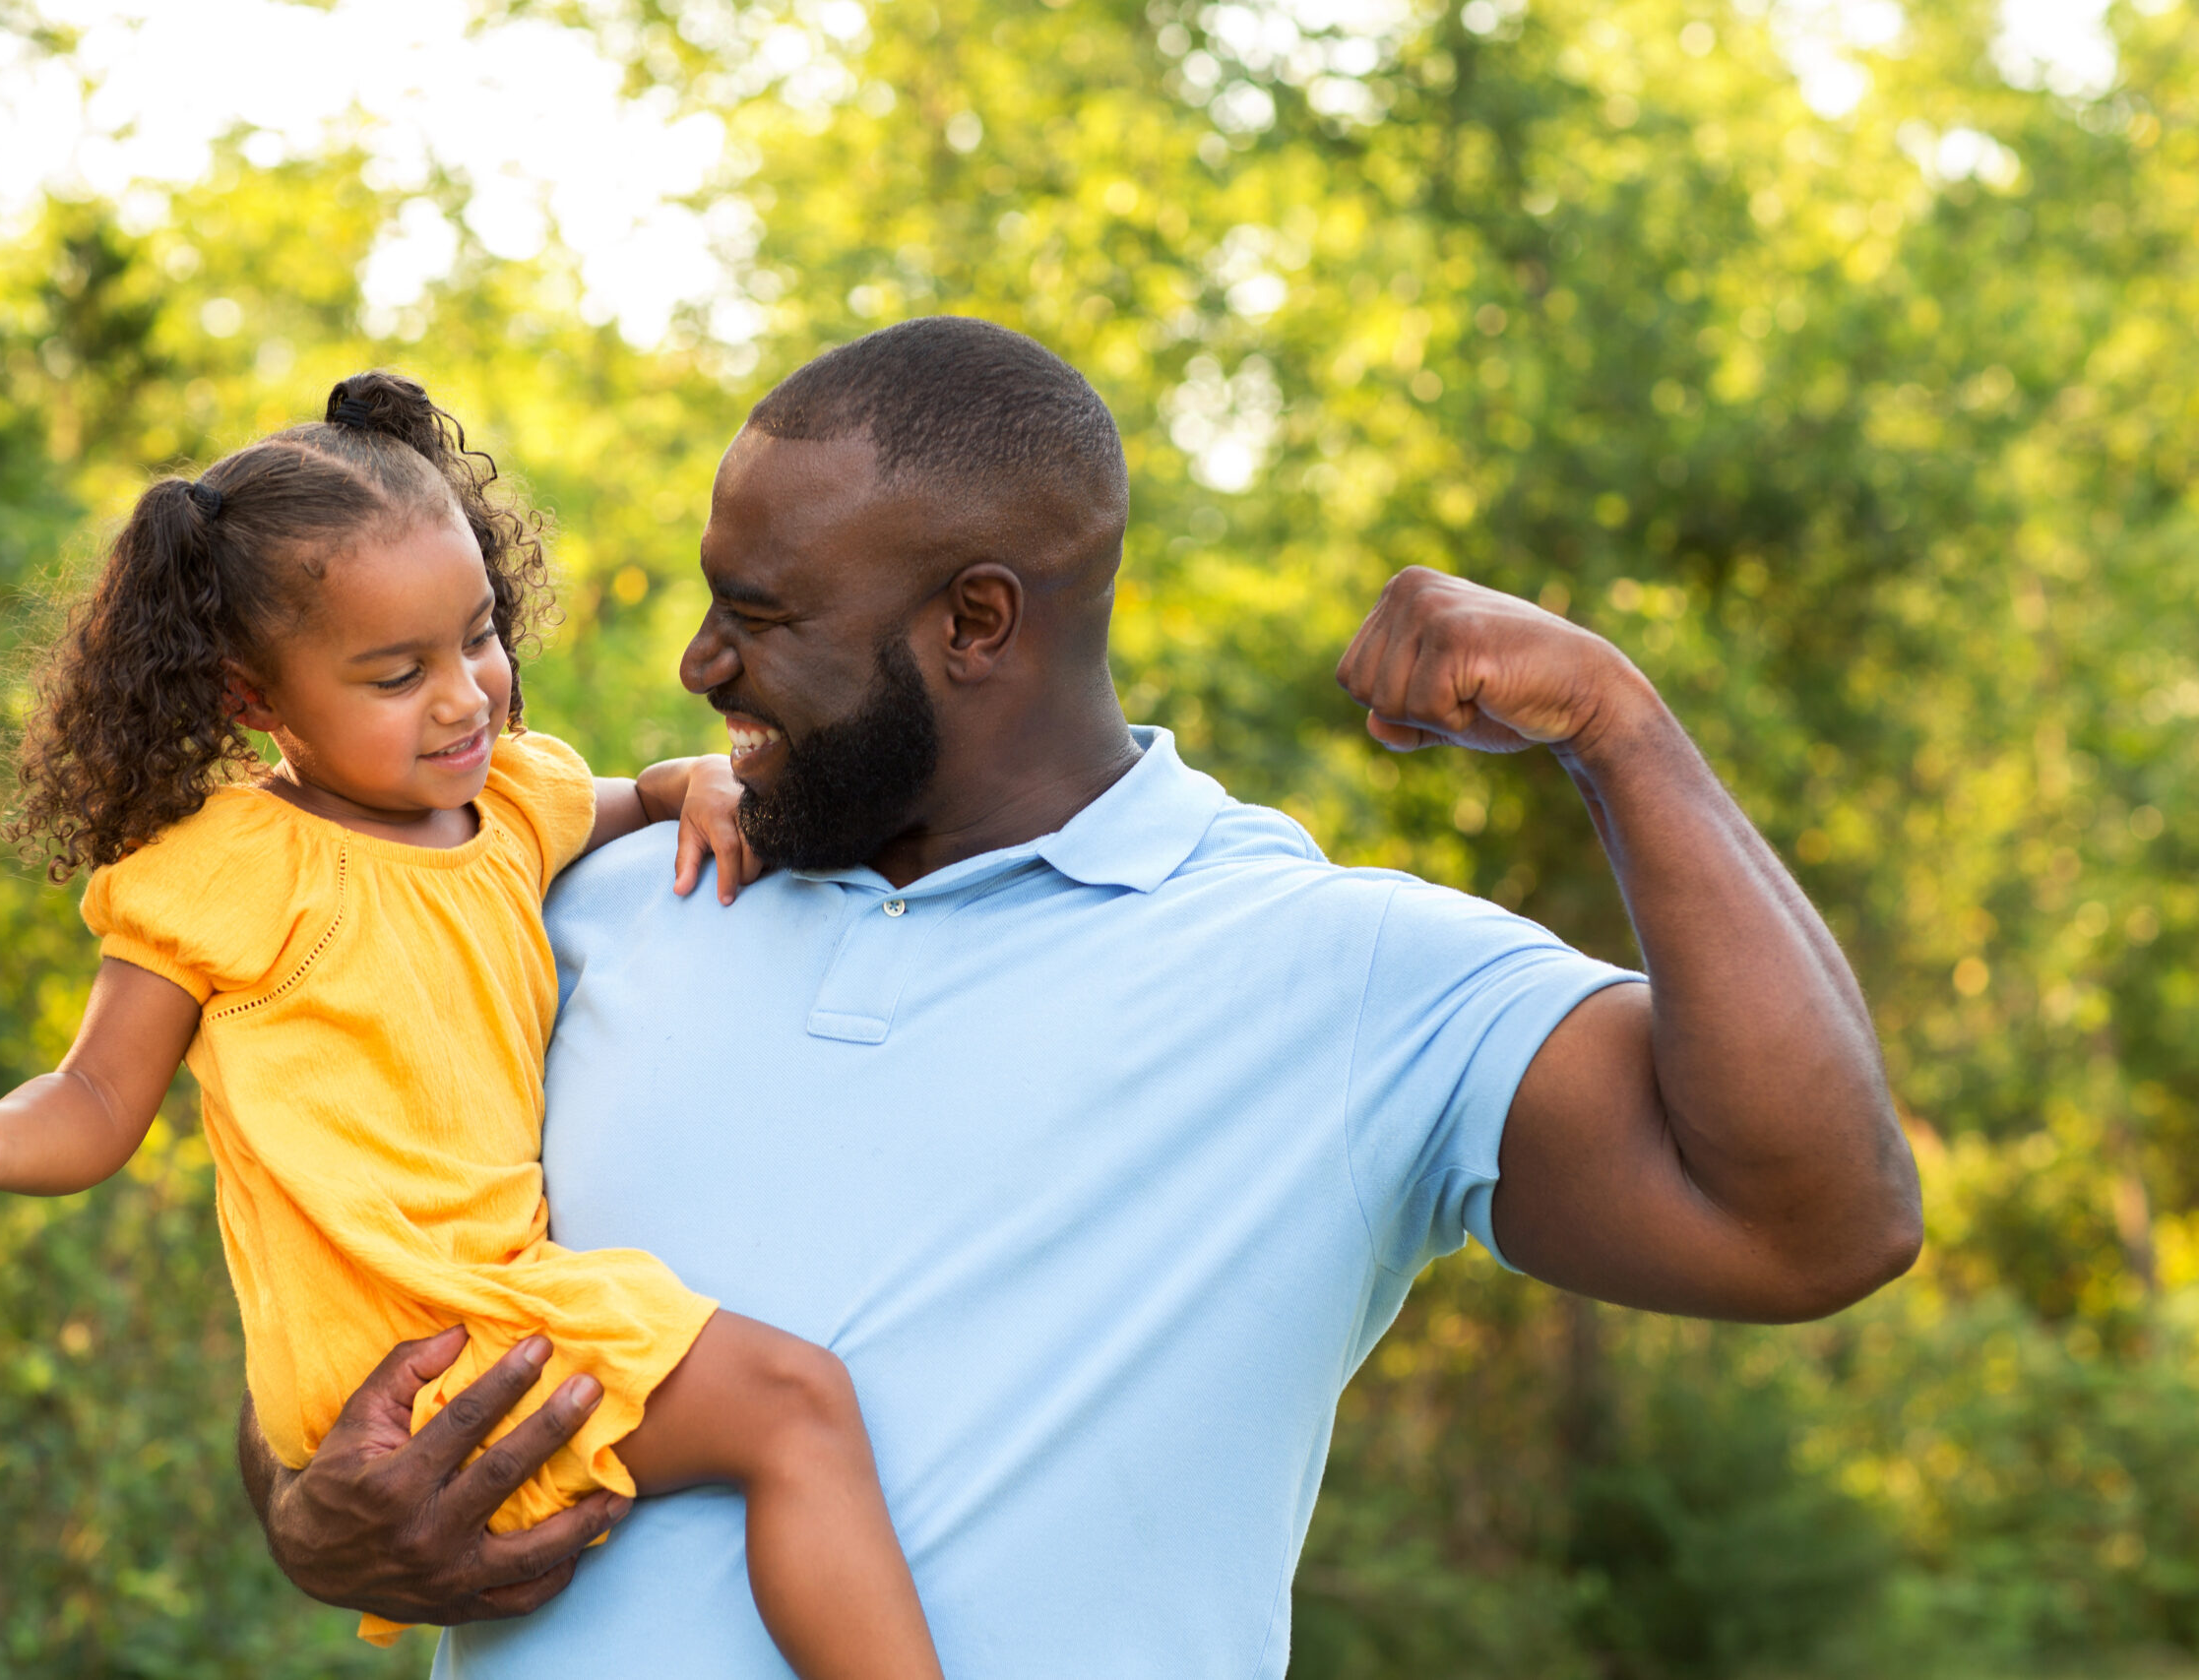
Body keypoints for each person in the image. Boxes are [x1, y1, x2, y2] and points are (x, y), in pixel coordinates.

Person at [243, 319, 1924, 1675]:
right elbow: (334, 1307)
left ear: (979, 623)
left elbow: (1814, 1223)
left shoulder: (1334, 973)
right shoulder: (576, 901)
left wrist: (1623, 732)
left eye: (761, 615)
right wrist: (309, 1512)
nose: (699, 663)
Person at [0, 373, 945, 1680]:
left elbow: (628, 792)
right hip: (410, 1346)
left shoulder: (512, 802)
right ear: (255, 699)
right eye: (395, 674)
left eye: (477, 637)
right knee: (798, 1412)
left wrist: (695, 780)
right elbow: (97, 1103)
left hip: (495, 1294)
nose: (464, 698)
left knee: (788, 1414)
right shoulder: (229, 864)